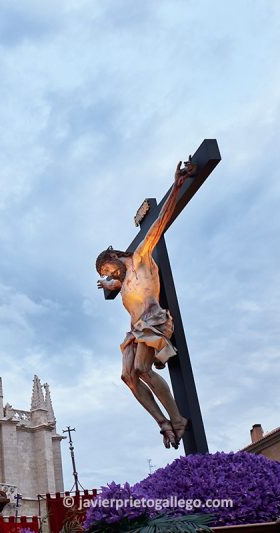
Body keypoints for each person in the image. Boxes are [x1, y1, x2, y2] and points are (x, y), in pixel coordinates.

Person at [96, 160, 194, 449]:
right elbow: (120, 286)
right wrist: (110, 285)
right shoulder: (123, 281)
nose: (110, 275)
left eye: (108, 269)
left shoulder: (140, 258)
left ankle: (177, 418)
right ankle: (162, 422)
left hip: (153, 321)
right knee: (128, 376)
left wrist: (177, 185)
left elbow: (160, 220)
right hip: (136, 330)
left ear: (114, 256)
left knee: (142, 368)